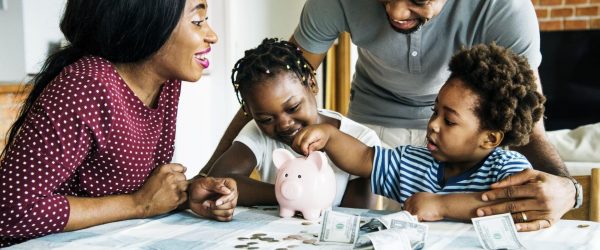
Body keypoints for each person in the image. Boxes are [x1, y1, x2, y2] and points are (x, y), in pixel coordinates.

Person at [205, 0, 580, 231]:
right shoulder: (404, 161)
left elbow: (527, 128)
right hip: (371, 119)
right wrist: (207, 176)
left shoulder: (505, 10)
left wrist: (569, 188)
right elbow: (276, 83)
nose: (396, 12)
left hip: (458, 123)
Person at [0, 0, 237, 246]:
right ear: (148, 22)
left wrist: (186, 194)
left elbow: (135, 191)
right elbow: (10, 210)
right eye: (197, 21)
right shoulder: (85, 86)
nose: (212, 36)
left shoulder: (165, 85)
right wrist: (138, 204)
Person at [293, 43, 545, 223]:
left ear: (489, 138)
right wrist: (330, 136)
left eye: (449, 121)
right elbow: (363, 158)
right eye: (435, 112)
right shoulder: (413, 162)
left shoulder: (508, 169)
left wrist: (440, 205)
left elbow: (509, 207)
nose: (434, 124)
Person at [205, 38, 380, 208]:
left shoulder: (362, 139)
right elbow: (218, 180)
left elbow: (356, 214)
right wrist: (286, 193)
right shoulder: (258, 132)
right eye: (266, 119)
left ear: (312, 84)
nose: (284, 124)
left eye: (293, 108)